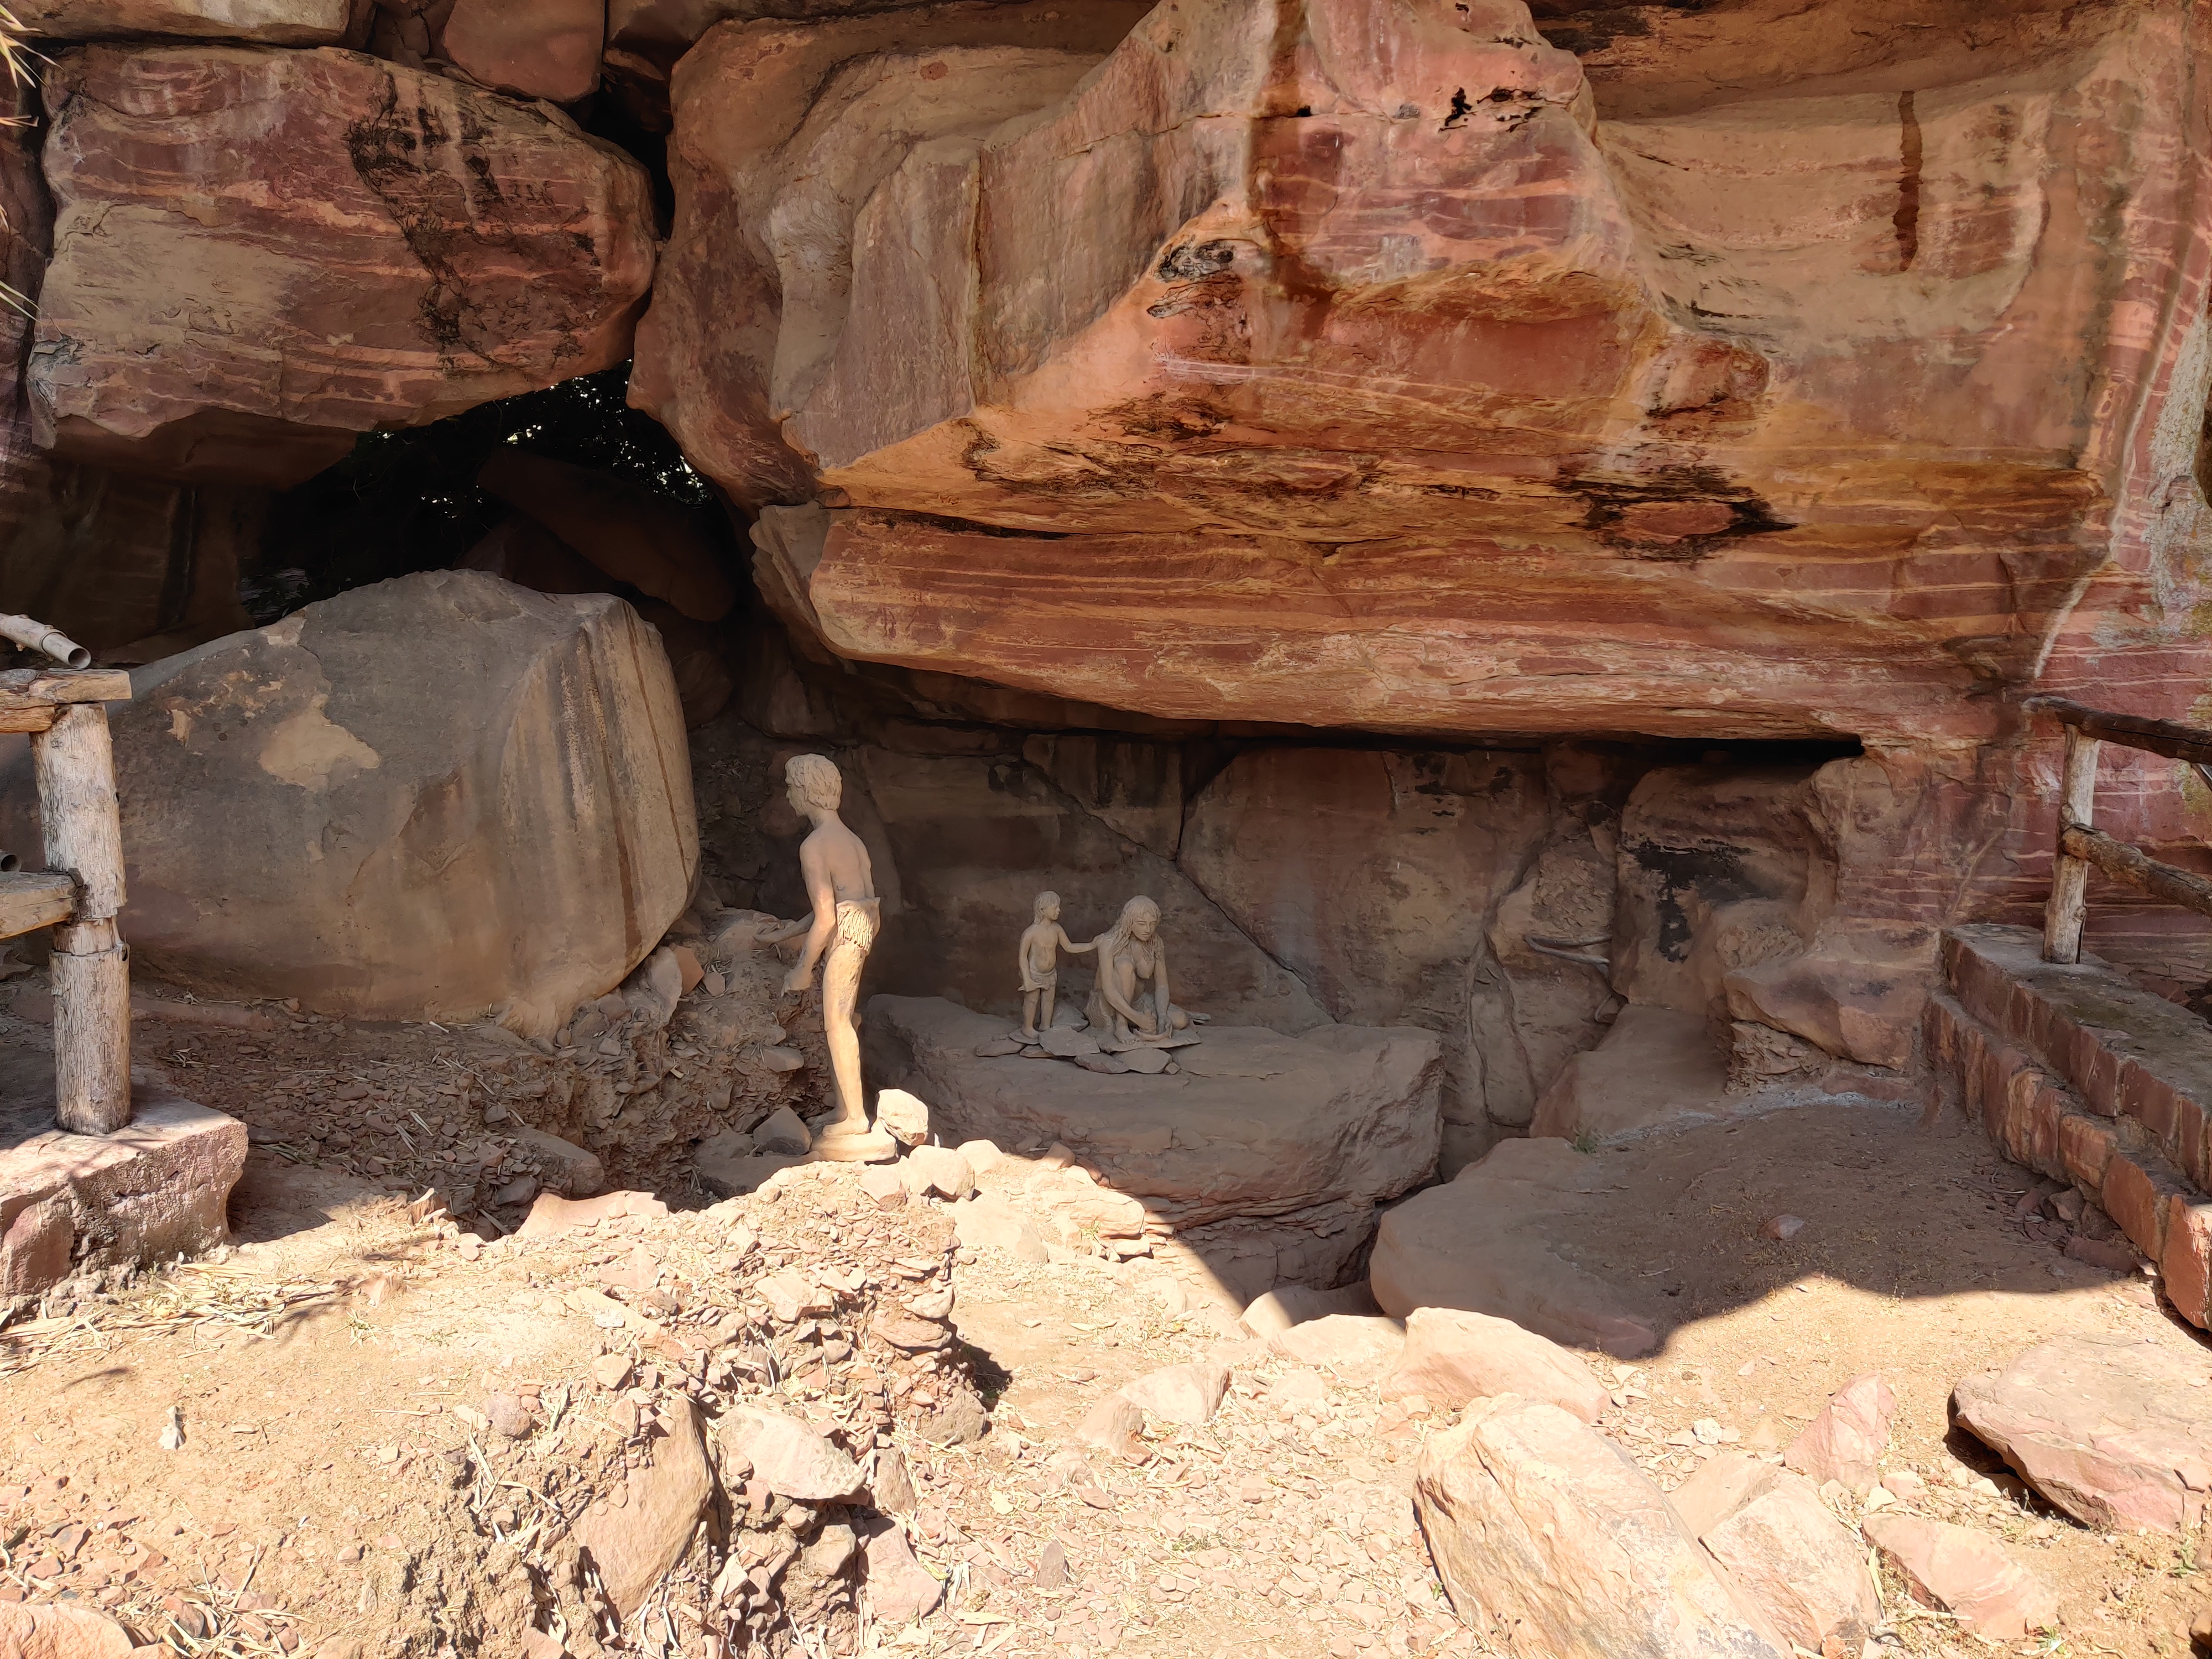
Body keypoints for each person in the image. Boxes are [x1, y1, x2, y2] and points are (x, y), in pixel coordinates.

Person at [754, 754, 881, 1150]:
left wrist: (803, 966)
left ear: (808, 791)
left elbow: (828, 918)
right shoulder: (852, 840)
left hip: (846, 936)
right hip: (863, 928)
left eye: (792, 787)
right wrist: (790, 931)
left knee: (838, 1023)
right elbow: (847, 899)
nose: (789, 795)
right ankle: (845, 1110)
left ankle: (857, 1118)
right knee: (841, 1020)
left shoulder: (814, 847)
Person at [1085, 895, 1204, 1049]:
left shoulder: (1156, 942)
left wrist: (1162, 1015)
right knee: (1125, 966)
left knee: (1180, 1020)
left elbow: (1162, 985)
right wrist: (1138, 1019)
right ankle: (1122, 1026)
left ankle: (1141, 1021)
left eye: (1152, 924)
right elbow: (1109, 991)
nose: (1148, 930)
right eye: (1142, 924)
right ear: (1129, 921)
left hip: (1139, 1001)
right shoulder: (1109, 942)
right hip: (1108, 1004)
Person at [1015, 890, 1095, 1041]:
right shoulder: (1030, 933)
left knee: (1048, 1000)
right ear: (1042, 909)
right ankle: (1028, 1027)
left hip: (1050, 974)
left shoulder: (1057, 929)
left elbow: (1069, 947)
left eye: (1058, 907)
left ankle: (1045, 1025)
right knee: (1032, 1000)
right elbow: (1022, 957)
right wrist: (1027, 979)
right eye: (1054, 907)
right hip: (1034, 973)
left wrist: (1092, 945)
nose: (1059, 910)